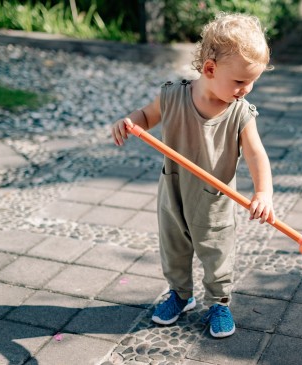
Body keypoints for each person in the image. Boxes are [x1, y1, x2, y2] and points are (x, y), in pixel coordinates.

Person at [111, 12, 275, 338]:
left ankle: (219, 302)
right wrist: (129, 123)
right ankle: (180, 295)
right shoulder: (173, 94)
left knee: (216, 253)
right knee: (174, 248)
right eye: (240, 81)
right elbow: (146, 115)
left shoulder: (240, 112)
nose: (247, 89)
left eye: (252, 81)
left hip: (214, 200)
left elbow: (257, 153)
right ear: (210, 69)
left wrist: (263, 193)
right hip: (173, 192)